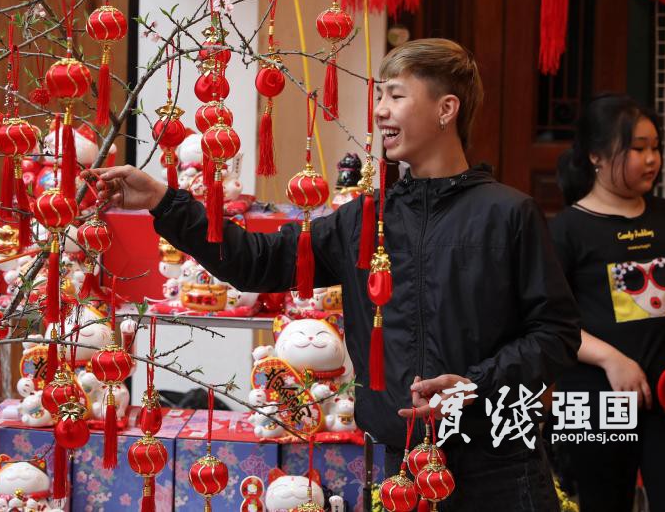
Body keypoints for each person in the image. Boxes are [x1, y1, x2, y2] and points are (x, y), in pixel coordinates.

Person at [86, 38, 581, 511]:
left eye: (396, 96)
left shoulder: (507, 214)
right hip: (400, 470)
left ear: (445, 109)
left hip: (500, 465)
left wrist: (471, 385)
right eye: (379, 97)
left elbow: (556, 334)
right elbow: (255, 261)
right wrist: (164, 201)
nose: (380, 111)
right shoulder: (366, 219)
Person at [548, 94, 665, 512]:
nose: (651, 159)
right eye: (637, 148)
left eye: (655, 147)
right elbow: (550, 323)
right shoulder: (566, 230)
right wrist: (611, 360)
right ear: (596, 156)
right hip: (595, 400)